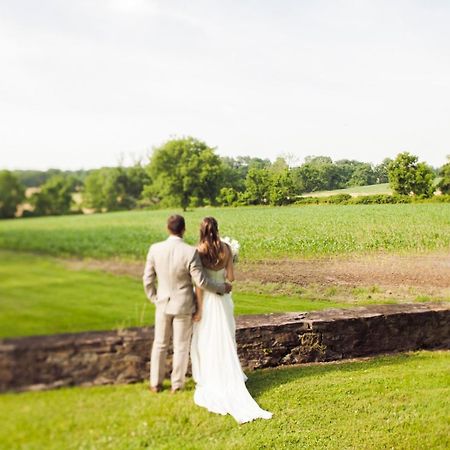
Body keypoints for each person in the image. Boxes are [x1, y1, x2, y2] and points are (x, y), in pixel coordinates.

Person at [190, 217, 272, 423]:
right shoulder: (226, 248)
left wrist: (198, 309)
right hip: (224, 300)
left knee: (207, 340)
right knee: (226, 337)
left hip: (207, 301)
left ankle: (212, 377)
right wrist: (228, 267)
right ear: (217, 229)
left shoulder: (198, 251)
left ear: (201, 231)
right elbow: (231, 278)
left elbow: (199, 285)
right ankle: (230, 374)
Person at [143, 214, 232, 393]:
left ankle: (155, 383)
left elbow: (147, 279)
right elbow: (201, 282)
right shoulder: (190, 251)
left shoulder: (155, 249)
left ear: (168, 229)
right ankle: (177, 384)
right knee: (181, 346)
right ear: (183, 229)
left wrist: (154, 298)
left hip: (162, 303)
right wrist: (221, 287)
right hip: (183, 305)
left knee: (159, 344)